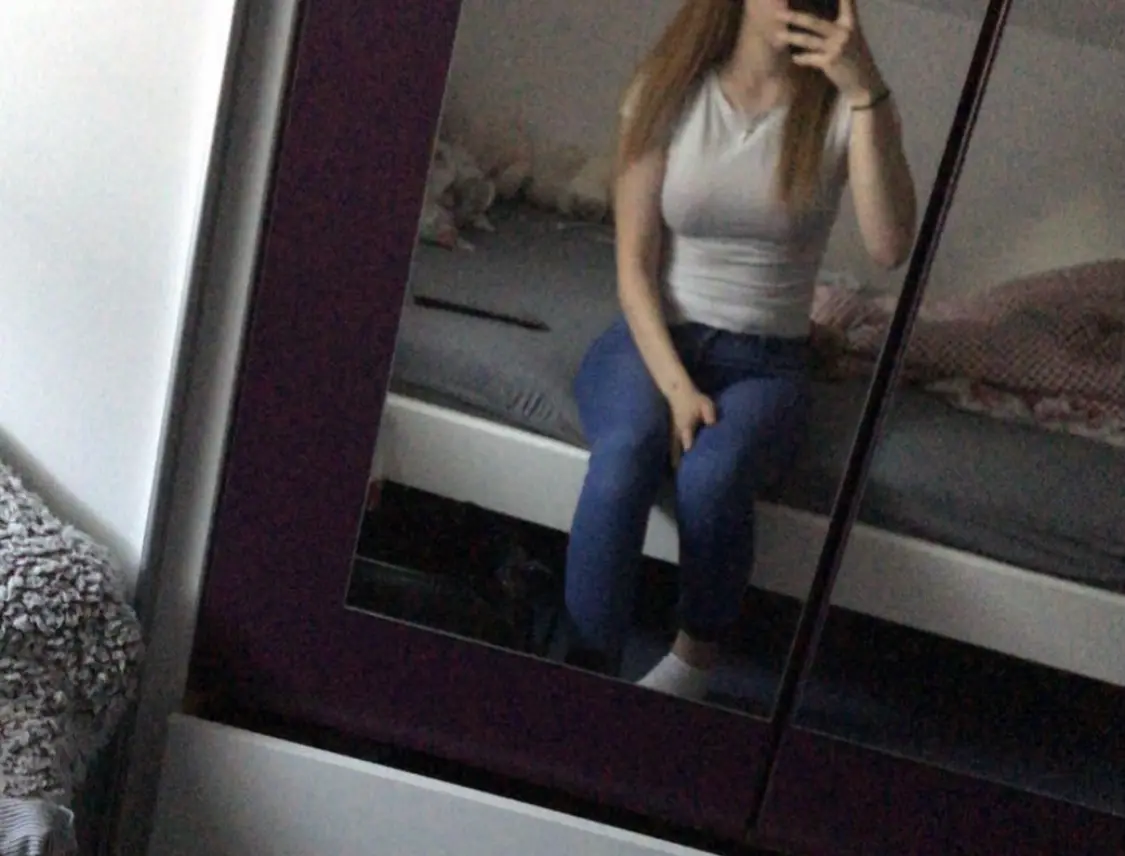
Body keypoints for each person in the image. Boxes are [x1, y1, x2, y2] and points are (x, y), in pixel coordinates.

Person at [563, 0, 918, 700]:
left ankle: (692, 664)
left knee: (712, 476)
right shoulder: (668, 89)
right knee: (626, 451)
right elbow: (633, 267)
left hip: (766, 361)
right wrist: (676, 388)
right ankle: (581, 674)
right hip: (652, 340)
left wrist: (866, 90)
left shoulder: (844, 108)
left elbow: (888, 247)